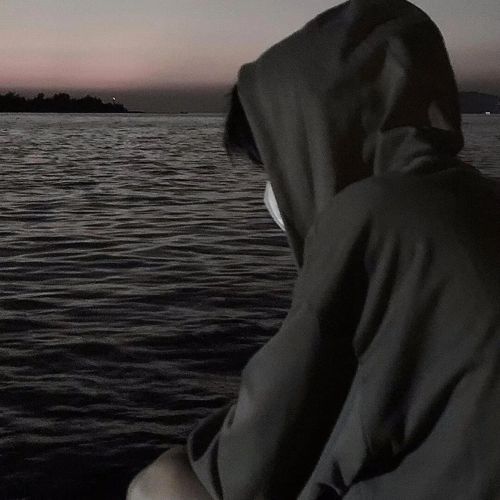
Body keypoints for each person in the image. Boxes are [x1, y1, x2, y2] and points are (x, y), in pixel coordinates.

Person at [127, 0, 500, 498]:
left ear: (314, 141)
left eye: (275, 167)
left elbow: (247, 469)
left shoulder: (375, 215)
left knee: (161, 482)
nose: (274, 191)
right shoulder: (478, 202)